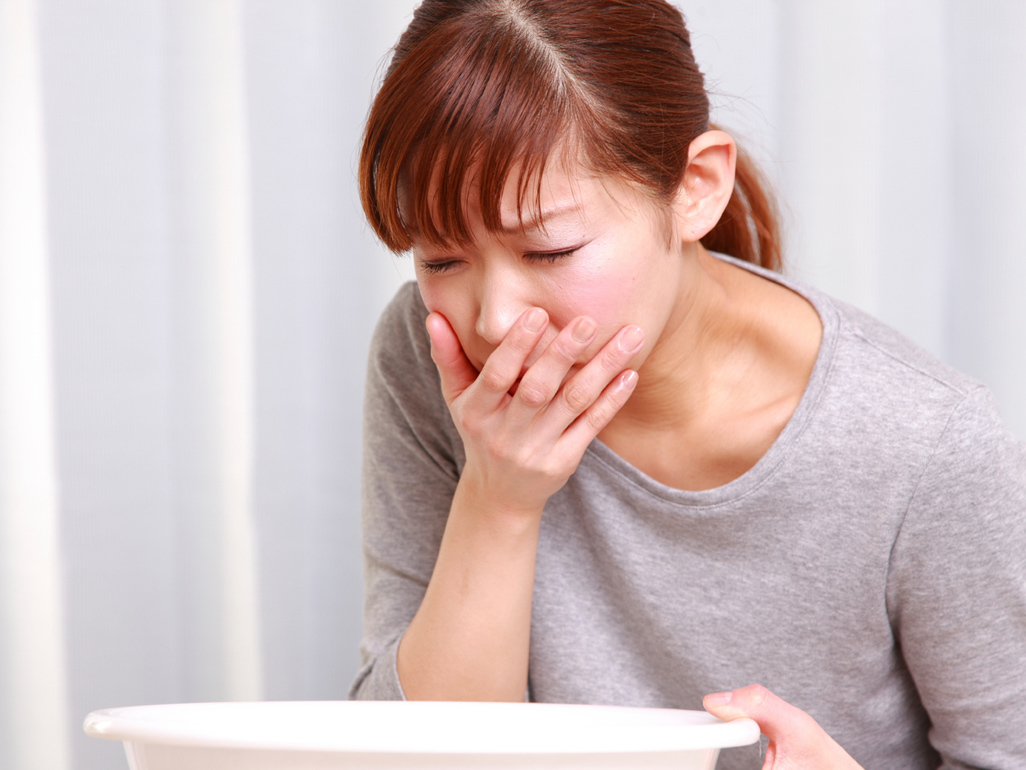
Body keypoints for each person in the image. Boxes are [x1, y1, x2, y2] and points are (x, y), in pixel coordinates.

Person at [348, 2, 1026, 768]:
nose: (497, 320)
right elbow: (399, 755)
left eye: (549, 250)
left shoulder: (925, 444)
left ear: (696, 188)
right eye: (440, 260)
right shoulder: (431, 359)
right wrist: (498, 497)